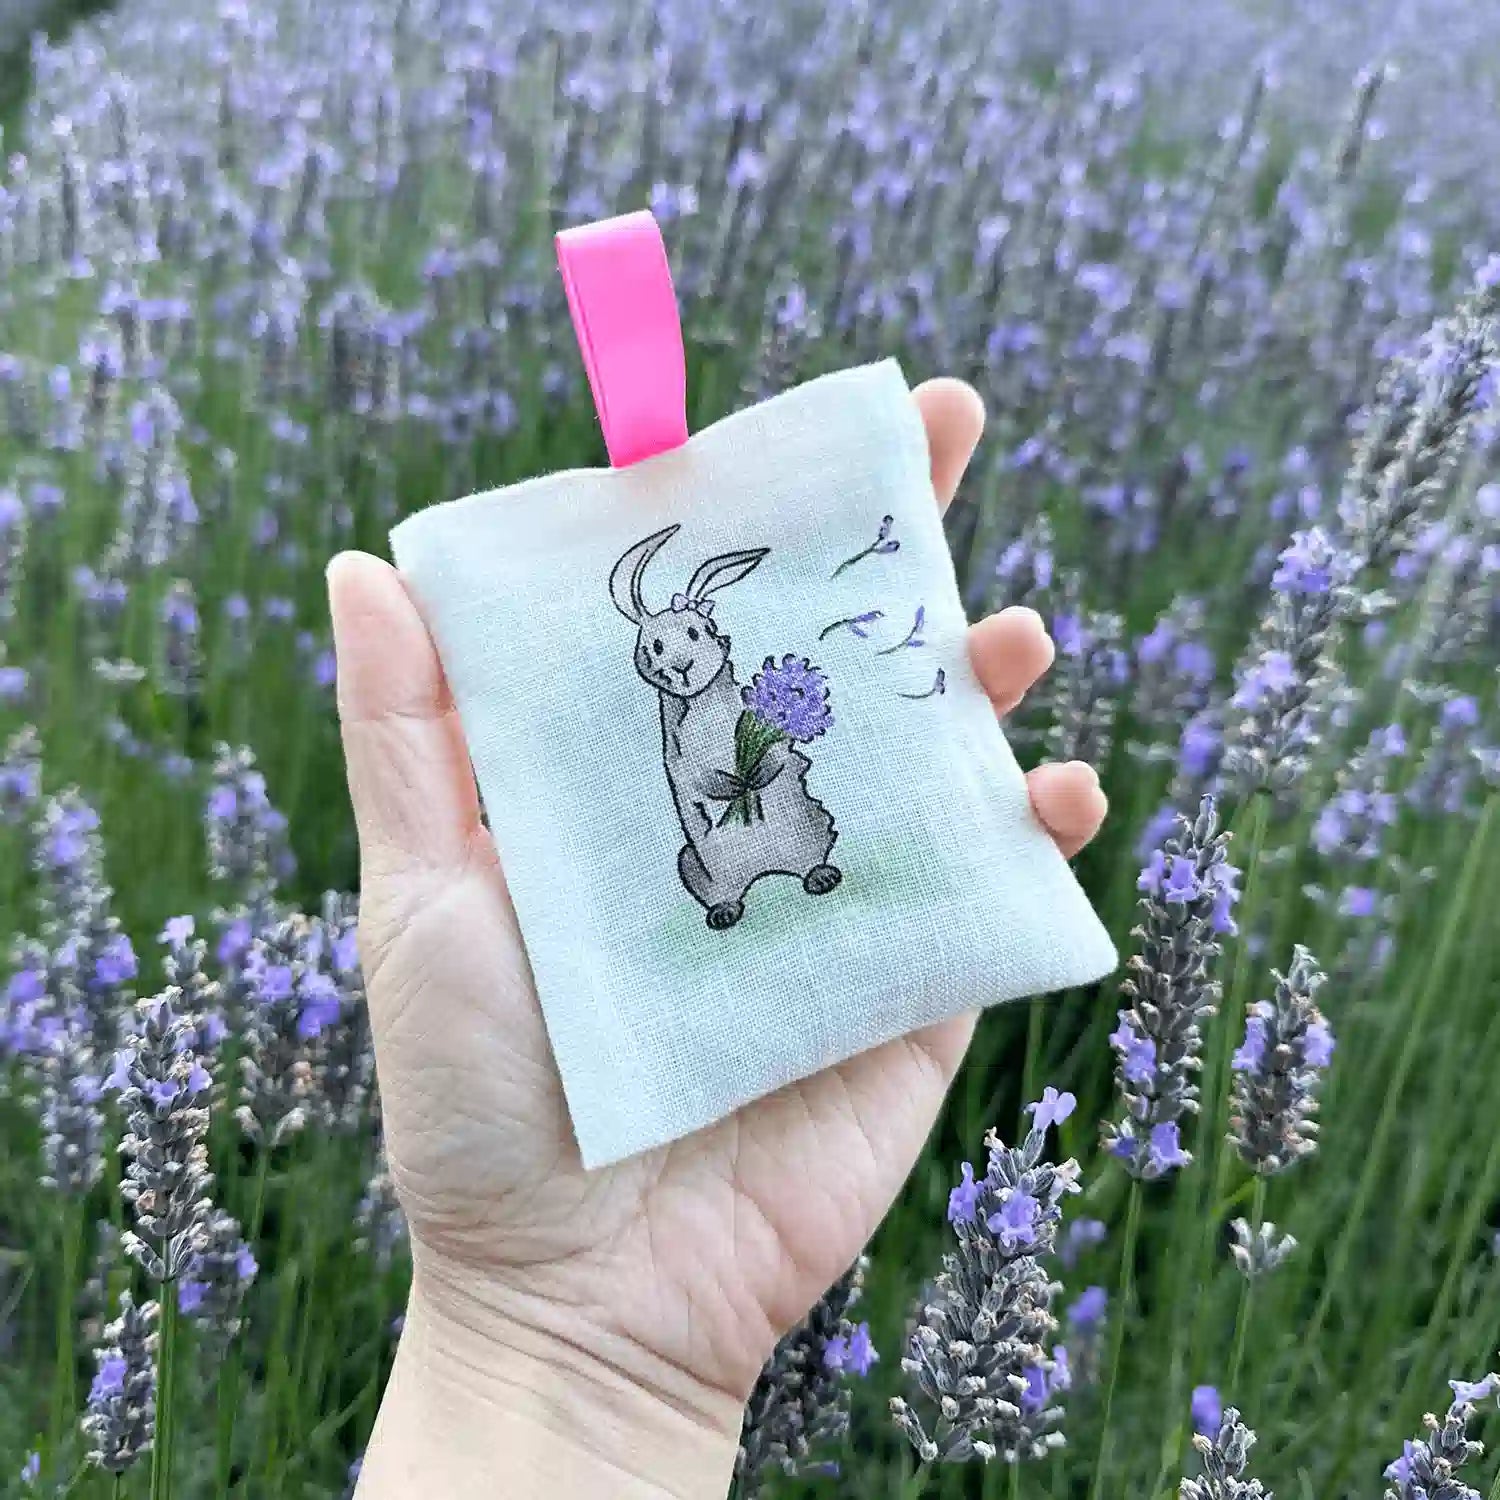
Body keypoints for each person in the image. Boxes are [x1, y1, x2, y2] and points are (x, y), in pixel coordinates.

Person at [326, 381, 1108, 1497]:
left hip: (781, 828)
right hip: (699, 911)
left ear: (712, 634)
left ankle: (801, 866)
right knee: (720, 859)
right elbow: (685, 786)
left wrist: (541, 1338)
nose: (674, 661)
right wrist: (532, 1313)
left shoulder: (740, 686)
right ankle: (739, 892)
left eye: (687, 643)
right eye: (658, 651)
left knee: (803, 821)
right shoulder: (666, 716)